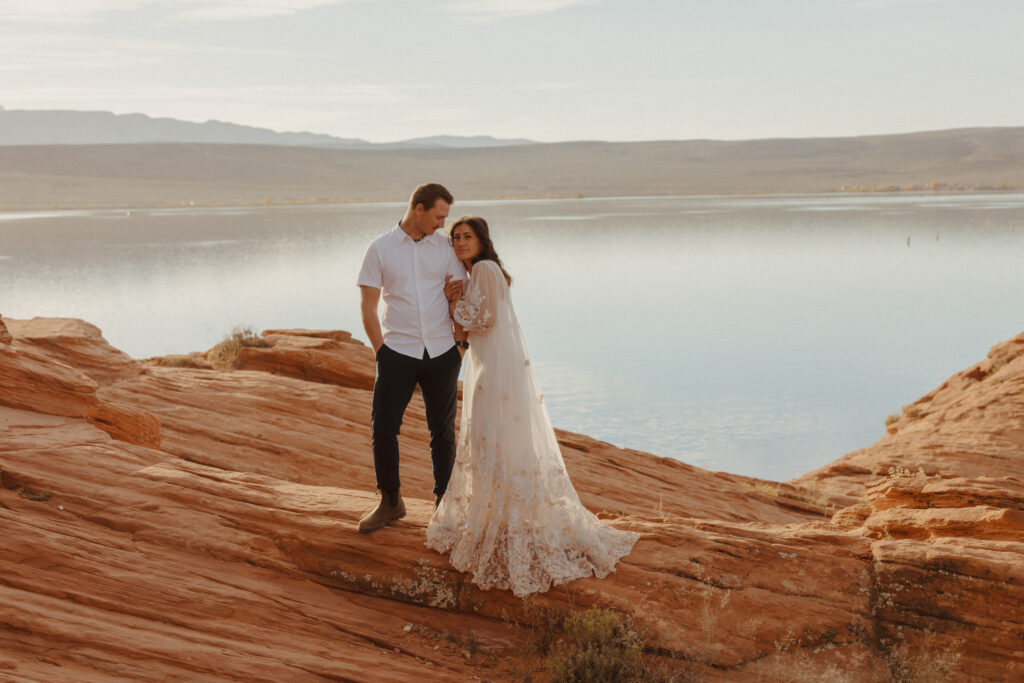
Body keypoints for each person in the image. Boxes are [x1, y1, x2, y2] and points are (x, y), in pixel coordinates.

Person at [425, 216, 639, 597]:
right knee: (494, 439)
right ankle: (501, 513)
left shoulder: (486, 269)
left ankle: (505, 520)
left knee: (495, 436)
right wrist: (458, 303)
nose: (459, 242)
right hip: (489, 365)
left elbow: (484, 321)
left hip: (496, 370)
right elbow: (468, 329)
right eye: (455, 237)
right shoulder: (480, 273)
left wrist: (453, 299)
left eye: (466, 236)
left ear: (482, 240)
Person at [356, 183, 467, 533]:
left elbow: (462, 296)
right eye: (438, 216)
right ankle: (390, 502)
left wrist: (460, 348)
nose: (441, 224)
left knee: (443, 433)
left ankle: (443, 506)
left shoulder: (446, 249)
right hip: (398, 351)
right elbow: (368, 305)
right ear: (418, 209)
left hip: (441, 352)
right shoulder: (380, 249)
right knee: (383, 429)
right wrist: (381, 352)